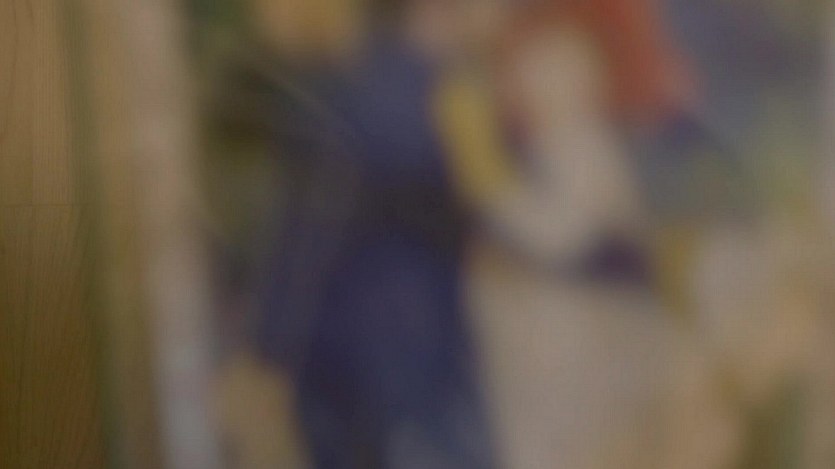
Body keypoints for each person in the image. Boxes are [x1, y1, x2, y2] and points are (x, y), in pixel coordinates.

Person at [254, 1, 496, 468]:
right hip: (405, 357)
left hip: (345, 355)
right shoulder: (431, 98)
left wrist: (272, 345)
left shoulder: (352, 91)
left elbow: (301, 235)